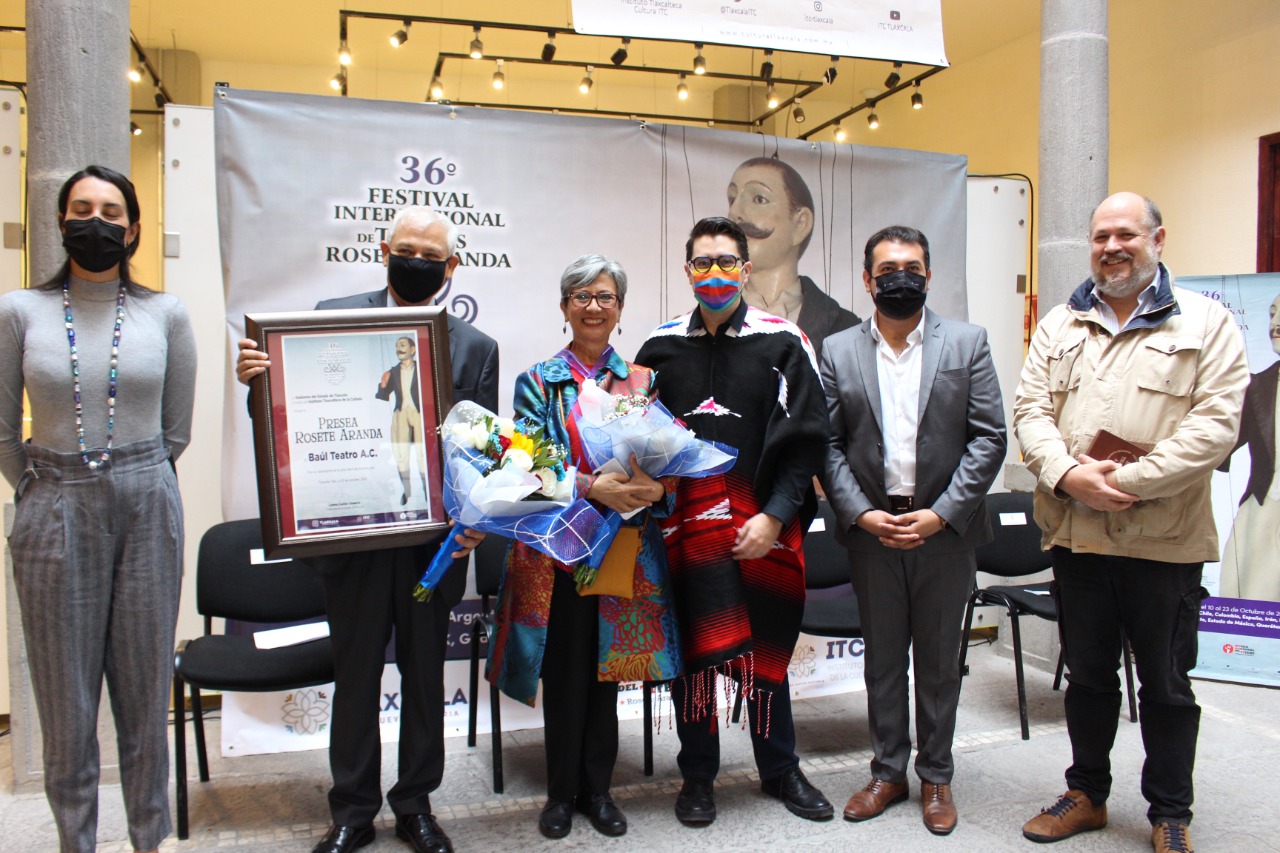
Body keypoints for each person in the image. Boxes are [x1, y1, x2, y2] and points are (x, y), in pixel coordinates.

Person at [237, 207, 499, 853]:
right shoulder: (331, 320)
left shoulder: (476, 347)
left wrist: (476, 516)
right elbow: (286, 412)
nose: (416, 262)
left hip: (433, 548)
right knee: (356, 675)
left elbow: (482, 452)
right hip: (353, 539)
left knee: (424, 677)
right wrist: (255, 382)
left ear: (452, 265)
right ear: (384, 250)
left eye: (430, 255)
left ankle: (415, 804)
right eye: (406, 249)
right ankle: (352, 810)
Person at [1013, 193, 1248, 853]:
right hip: (1077, 536)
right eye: (1100, 236)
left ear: (1157, 239)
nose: (1112, 247)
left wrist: (1124, 482)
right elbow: (1030, 410)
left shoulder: (1207, 322)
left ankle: (1170, 811)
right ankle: (1086, 794)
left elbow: (1215, 428)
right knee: (1088, 677)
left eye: (1126, 234)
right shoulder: (1060, 324)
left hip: (1165, 541)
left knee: (1167, 685)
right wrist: (1068, 474)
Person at [0, 165, 196, 853]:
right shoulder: (19, 311)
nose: (96, 222)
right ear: (61, 222)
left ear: (133, 229)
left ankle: (149, 838)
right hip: (53, 501)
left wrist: (133, 476)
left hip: (146, 500)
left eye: (111, 212)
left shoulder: (165, 314)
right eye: (81, 209)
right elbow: (2, 428)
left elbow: (176, 431)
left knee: (144, 694)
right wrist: (39, 486)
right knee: (66, 701)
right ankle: (75, 841)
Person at [635, 216, 834, 827]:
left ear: (745, 270)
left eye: (726, 262)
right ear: (687, 269)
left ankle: (780, 769)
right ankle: (698, 775)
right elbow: (637, 439)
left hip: (761, 531)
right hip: (685, 534)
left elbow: (808, 441)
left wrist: (775, 517)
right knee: (694, 655)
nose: (715, 273)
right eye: (703, 263)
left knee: (766, 648)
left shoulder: (784, 342)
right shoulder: (658, 348)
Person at [485, 253, 682, 840]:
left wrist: (656, 487)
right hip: (557, 551)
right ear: (565, 307)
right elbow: (527, 466)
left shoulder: (643, 381)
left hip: (622, 544)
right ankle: (559, 794)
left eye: (605, 297)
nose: (594, 307)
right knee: (566, 669)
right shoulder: (537, 380)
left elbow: (666, 460)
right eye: (582, 296)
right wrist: (589, 485)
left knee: (605, 672)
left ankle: (599, 791)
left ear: (620, 309)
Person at [820, 225, 1006, 836]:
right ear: (867, 280)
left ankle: (936, 776)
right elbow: (828, 443)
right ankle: (887, 773)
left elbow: (989, 438)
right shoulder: (838, 350)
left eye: (913, 268)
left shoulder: (967, 342)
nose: (901, 278)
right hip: (872, 530)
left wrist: (942, 513)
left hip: (945, 531)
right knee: (881, 661)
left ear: (929, 275)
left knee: (939, 661)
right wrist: (860, 513)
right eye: (888, 270)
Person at [726, 156, 860, 353]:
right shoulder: (698, 327)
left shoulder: (845, 331)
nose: (734, 213)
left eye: (759, 199)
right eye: (732, 199)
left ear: (800, 224)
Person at [1218, 290, 1280, 601]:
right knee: (1252, 604)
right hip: (1263, 511)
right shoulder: (1254, 387)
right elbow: (1214, 446)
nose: (1275, 323)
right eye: (1272, 313)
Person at [376, 335, 429, 506]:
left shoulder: (424, 369)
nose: (399, 348)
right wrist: (383, 384)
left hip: (419, 413)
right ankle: (407, 491)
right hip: (401, 413)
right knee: (400, 453)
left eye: (403, 345)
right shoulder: (393, 372)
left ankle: (427, 490)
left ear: (413, 349)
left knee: (423, 453)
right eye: (397, 345)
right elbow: (383, 396)